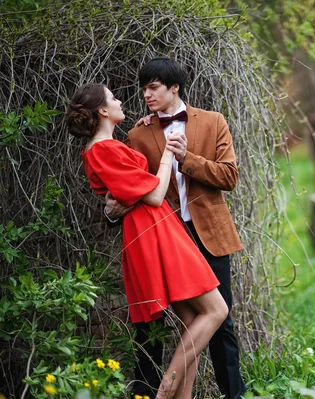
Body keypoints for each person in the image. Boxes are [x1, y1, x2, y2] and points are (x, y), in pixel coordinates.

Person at [66, 83, 229, 399]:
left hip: (154, 227)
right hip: (153, 229)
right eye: (113, 98)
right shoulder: (102, 149)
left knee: (194, 319)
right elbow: (154, 195)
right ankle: (164, 394)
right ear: (102, 111)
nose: (120, 100)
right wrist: (168, 153)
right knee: (216, 310)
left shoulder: (111, 146)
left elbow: (134, 191)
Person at [105, 58, 246, 399]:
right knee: (152, 323)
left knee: (220, 323)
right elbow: (131, 190)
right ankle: (146, 392)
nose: (146, 94)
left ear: (174, 87)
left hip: (210, 235)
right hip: (165, 239)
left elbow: (229, 176)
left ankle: (233, 396)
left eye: (153, 87)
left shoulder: (213, 122)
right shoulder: (137, 134)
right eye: (143, 89)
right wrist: (113, 208)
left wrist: (188, 160)